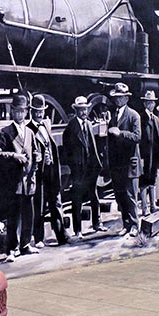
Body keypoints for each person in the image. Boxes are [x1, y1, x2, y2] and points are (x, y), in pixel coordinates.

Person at [0, 94, 42, 260]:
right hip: (14, 182)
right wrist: (14, 155)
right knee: (14, 215)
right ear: (12, 112)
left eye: (23, 112)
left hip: (29, 181)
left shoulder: (29, 132)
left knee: (28, 213)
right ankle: (12, 248)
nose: (20, 115)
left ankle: (26, 244)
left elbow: (36, 151)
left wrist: (37, 156)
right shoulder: (5, 132)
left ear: (26, 112)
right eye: (17, 112)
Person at [28, 94, 71, 247]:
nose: (39, 114)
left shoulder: (46, 125)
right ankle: (39, 238)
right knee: (38, 206)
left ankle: (62, 235)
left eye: (41, 111)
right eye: (36, 111)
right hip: (39, 173)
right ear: (31, 112)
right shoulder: (28, 129)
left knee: (56, 204)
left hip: (52, 171)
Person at [62, 96, 107, 238]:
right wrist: (73, 166)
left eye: (85, 109)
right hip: (78, 169)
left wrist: (97, 164)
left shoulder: (88, 124)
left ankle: (97, 223)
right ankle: (78, 230)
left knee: (94, 196)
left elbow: (92, 146)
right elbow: (66, 151)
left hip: (90, 168)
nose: (84, 112)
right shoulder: (70, 128)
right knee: (77, 199)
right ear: (76, 110)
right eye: (81, 110)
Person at [106, 83, 142, 237]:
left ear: (127, 98)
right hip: (117, 163)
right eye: (116, 98)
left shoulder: (134, 115)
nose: (118, 100)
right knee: (120, 195)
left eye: (121, 97)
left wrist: (120, 133)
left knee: (130, 195)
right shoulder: (113, 116)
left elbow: (137, 137)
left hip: (130, 163)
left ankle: (135, 225)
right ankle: (126, 223)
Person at [138, 91, 159, 216]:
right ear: (144, 103)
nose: (150, 105)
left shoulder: (156, 119)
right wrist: (140, 157)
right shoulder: (141, 118)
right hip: (145, 155)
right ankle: (144, 207)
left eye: (152, 102)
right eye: (148, 102)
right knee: (143, 181)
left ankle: (153, 205)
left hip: (154, 154)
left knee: (152, 179)